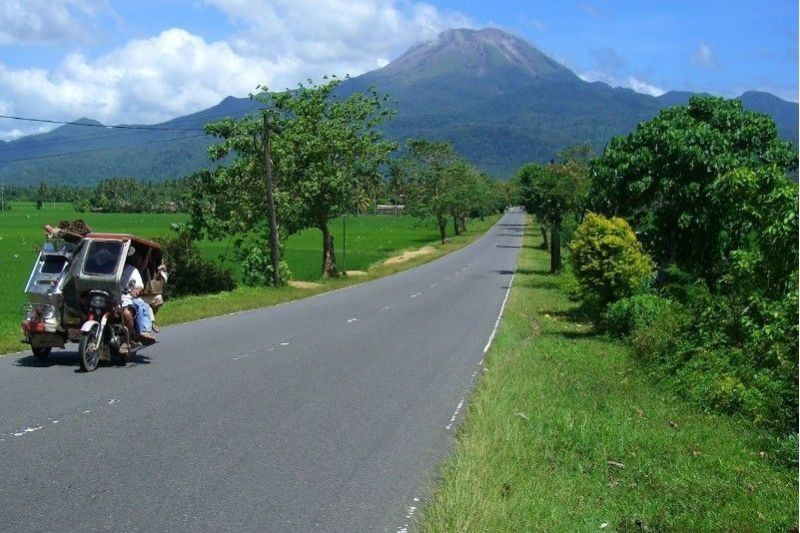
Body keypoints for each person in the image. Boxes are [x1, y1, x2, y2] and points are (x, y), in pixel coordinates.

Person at [120, 248, 157, 345]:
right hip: (111, 297)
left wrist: (136, 290)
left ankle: (133, 338)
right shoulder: (110, 269)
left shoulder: (132, 271)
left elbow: (140, 286)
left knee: (140, 308)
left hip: (127, 298)